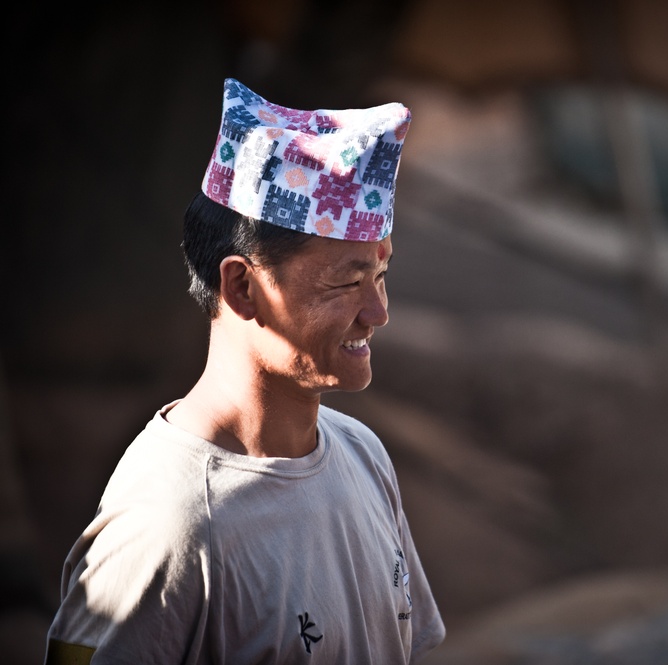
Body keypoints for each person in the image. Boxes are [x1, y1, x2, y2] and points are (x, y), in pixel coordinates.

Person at [44, 78, 445, 664]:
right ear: (242, 287)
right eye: (347, 282)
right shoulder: (167, 525)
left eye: (380, 276)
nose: (378, 313)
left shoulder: (363, 456)